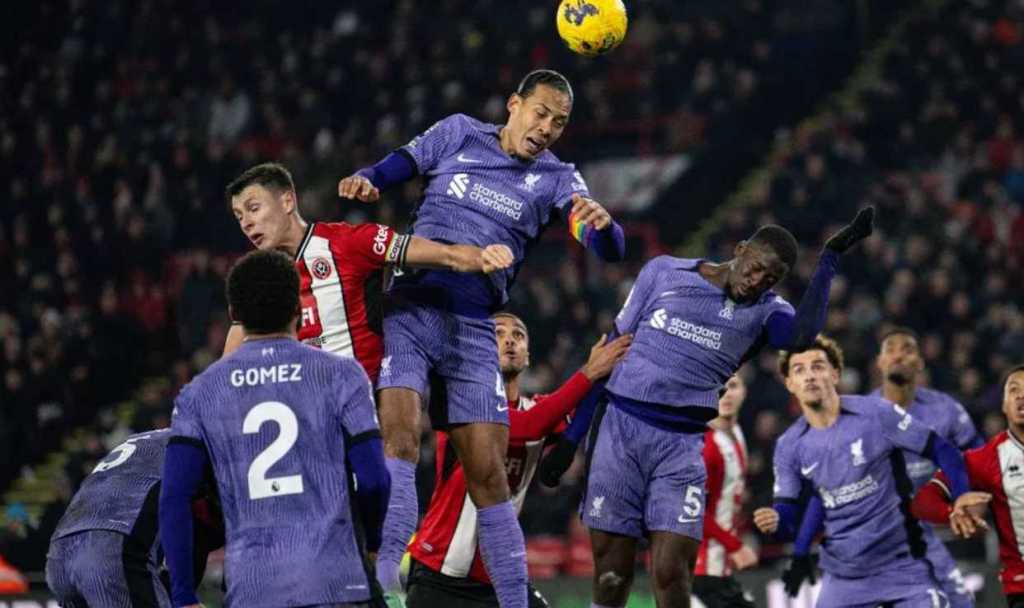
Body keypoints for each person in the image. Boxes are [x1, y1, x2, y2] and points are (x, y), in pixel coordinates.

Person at [338, 69, 626, 606]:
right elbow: (404, 161)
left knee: (490, 477)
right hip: (414, 305)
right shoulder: (460, 133)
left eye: (559, 123)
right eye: (540, 113)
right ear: (514, 104)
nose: (546, 128)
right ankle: (386, 591)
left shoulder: (558, 178)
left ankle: (513, 600)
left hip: (474, 329)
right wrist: (371, 176)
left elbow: (602, 244)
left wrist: (605, 228)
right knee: (401, 438)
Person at [540, 209, 874, 608]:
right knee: (612, 576)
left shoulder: (768, 311)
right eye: (754, 269)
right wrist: (570, 440)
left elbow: (802, 336)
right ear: (740, 249)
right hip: (619, 434)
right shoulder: (663, 273)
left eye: (770, 279)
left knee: (674, 575)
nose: (757, 283)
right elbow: (607, 356)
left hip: (681, 447)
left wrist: (830, 259)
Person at [160, 250, 391, 608]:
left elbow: (175, 498)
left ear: (234, 315)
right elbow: (375, 479)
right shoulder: (342, 375)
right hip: (338, 583)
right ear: (298, 308)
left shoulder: (199, 393)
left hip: (253, 590)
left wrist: (183, 595)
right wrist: (374, 542)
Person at [405, 312, 631, 608]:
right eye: (497, 333)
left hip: (500, 578)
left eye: (519, 335)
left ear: (527, 356)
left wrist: (610, 361)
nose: (509, 339)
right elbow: (525, 427)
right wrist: (587, 372)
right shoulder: (460, 399)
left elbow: (581, 410)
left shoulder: (537, 408)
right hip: (440, 577)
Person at [222, 161, 514, 381]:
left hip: (364, 407)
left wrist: (483, 256)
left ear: (287, 201)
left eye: (253, 208)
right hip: (301, 416)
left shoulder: (350, 243)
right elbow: (231, 362)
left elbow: (446, 255)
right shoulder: (258, 280)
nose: (246, 223)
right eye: (238, 217)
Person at [752, 336, 980, 608]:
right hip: (844, 576)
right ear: (789, 383)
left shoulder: (876, 413)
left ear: (835, 373)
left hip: (902, 565)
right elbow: (790, 512)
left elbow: (944, 449)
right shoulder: (790, 445)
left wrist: (963, 493)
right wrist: (777, 521)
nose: (810, 376)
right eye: (799, 370)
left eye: (818, 366)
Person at [46, 429, 220, 607]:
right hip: (110, 550)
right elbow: (208, 527)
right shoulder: (210, 445)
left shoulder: (145, 439)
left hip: (59, 553)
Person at [912, 364, 1024, 607]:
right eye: (1013, 390)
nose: (1021, 396)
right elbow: (923, 500)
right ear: (1004, 405)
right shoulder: (986, 459)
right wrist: (951, 512)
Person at [693, 374, 757, 608]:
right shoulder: (705, 446)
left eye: (733, 386)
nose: (726, 394)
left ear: (744, 391)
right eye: (717, 387)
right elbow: (693, 510)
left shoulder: (736, 432)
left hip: (720, 567)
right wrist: (735, 546)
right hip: (699, 567)